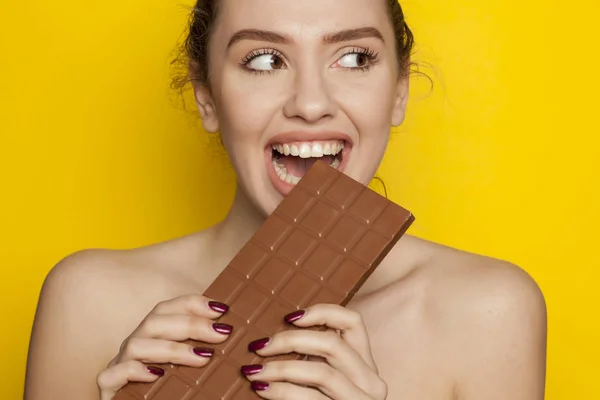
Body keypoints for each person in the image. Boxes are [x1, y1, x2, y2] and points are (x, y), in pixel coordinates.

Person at [23, 0, 547, 399]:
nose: (311, 103)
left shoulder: (489, 313)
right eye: (265, 59)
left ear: (400, 91)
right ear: (206, 96)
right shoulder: (89, 303)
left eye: (354, 56)